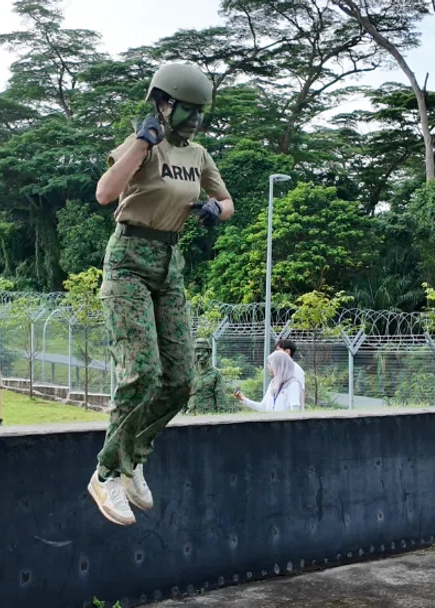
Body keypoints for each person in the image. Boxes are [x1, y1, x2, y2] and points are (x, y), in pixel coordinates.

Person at [87, 62, 234, 527]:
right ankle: (106, 472)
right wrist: (142, 143)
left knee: (181, 380)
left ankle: (133, 458)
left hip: (170, 265)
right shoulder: (142, 143)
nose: (194, 119)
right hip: (129, 259)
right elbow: (105, 193)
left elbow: (227, 203)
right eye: (187, 109)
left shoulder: (200, 155)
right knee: (142, 375)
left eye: (200, 112)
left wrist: (215, 208)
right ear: (164, 103)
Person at [234, 350, 302, 412]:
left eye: (272, 365)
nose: (270, 368)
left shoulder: (293, 384)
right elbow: (263, 407)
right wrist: (244, 400)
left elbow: (295, 411)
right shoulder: (273, 384)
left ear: (281, 366)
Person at [186, 338, 227, 414]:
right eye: (198, 351)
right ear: (194, 353)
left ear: (209, 353)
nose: (201, 354)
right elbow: (182, 396)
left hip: (208, 415)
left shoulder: (216, 373)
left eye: (204, 351)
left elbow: (220, 397)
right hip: (191, 415)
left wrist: (222, 416)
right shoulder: (189, 372)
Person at [275, 339, 306, 407]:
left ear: (287, 351)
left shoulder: (296, 369)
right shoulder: (281, 369)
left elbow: (301, 392)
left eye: (278, 350)